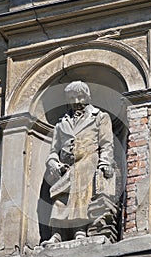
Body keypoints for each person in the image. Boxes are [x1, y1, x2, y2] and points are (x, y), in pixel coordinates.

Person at [42, 81, 115, 245]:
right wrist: (53, 162)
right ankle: (57, 233)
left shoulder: (100, 117)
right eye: (72, 98)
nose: (76, 102)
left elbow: (106, 144)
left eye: (80, 97)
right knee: (59, 194)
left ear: (87, 97)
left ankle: (80, 230)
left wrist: (105, 163)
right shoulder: (61, 124)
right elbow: (53, 150)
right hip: (66, 167)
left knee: (81, 194)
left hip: (88, 162)